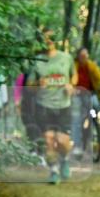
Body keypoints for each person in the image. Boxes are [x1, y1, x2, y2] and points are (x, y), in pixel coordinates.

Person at [30, 29, 76, 183]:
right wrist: (37, 83)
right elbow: (29, 86)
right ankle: (54, 171)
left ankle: (64, 159)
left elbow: (74, 75)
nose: (48, 41)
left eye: (51, 38)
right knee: (49, 140)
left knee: (62, 140)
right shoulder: (37, 60)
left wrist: (71, 85)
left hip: (63, 105)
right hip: (43, 105)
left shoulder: (66, 58)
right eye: (45, 38)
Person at [70, 47, 100, 157]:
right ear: (78, 56)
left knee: (95, 106)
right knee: (77, 118)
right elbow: (70, 79)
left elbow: (99, 77)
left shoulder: (91, 65)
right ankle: (77, 145)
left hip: (90, 93)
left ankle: (93, 121)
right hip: (77, 94)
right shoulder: (74, 66)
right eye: (82, 56)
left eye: (86, 55)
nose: (84, 57)